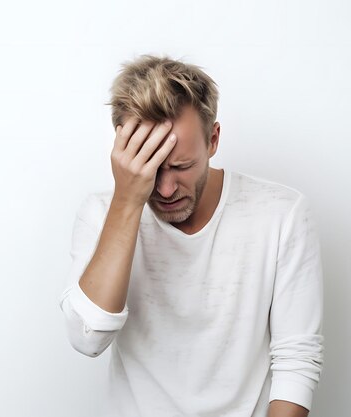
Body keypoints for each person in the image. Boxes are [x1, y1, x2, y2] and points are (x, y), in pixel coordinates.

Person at [58, 54, 324, 417]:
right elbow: (87, 338)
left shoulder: (281, 213)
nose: (165, 189)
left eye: (181, 166)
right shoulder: (103, 213)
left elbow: (296, 360)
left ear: (213, 139)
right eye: (151, 169)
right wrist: (127, 201)